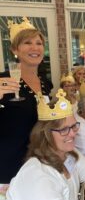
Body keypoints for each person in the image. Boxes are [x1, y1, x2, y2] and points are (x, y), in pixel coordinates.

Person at [6, 89, 85, 200]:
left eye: (74, 126)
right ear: (45, 134)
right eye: (63, 130)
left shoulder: (69, 154)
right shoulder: (38, 175)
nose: (72, 134)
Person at [0, 17, 53, 184]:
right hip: (10, 162)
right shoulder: (3, 81)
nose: (35, 47)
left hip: (40, 160)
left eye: (39, 43)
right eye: (27, 43)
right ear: (15, 49)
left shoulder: (45, 83)